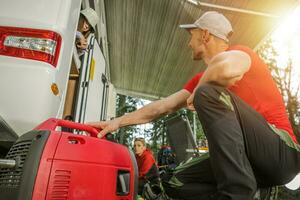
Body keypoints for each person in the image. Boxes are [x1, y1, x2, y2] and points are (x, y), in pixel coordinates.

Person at [88, 11, 300, 199]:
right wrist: (116, 122)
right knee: (174, 180)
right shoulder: (201, 80)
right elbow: (161, 107)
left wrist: (201, 88)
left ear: (205, 35)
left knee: (207, 94)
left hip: (282, 153)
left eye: (192, 36)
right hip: (250, 163)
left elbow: (226, 68)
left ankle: (239, 192)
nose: (189, 43)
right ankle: (256, 192)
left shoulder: (241, 53)